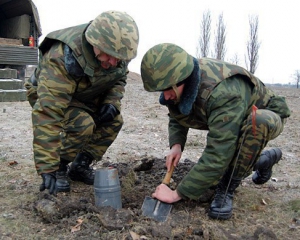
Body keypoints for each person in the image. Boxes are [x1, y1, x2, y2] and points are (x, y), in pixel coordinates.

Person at [140, 43, 291, 220]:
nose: (165, 96)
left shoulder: (222, 92)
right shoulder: (184, 79)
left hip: (266, 114)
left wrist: (177, 194)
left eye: (167, 89)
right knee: (234, 152)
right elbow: (177, 114)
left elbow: (219, 152)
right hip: (234, 114)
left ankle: (226, 188)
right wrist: (176, 145)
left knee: (256, 123)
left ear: (182, 79)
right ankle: (263, 160)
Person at [24, 10, 139, 195]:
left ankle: (80, 165)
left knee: (114, 121)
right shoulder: (61, 57)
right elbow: (48, 112)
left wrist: (111, 102)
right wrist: (48, 166)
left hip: (83, 92)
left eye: (119, 59)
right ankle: (60, 165)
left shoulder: (116, 56)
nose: (113, 62)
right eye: (109, 56)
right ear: (95, 43)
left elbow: (119, 78)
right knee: (82, 124)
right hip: (48, 92)